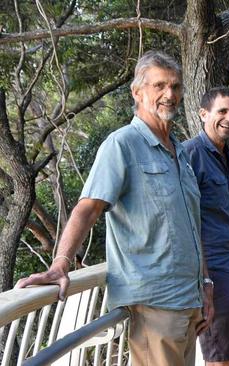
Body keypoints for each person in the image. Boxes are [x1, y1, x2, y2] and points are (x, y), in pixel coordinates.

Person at [16, 51, 213, 366]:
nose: (170, 95)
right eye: (159, 86)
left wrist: (205, 285)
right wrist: (60, 264)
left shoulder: (180, 151)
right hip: (154, 303)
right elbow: (87, 208)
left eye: (175, 87)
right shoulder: (122, 145)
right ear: (137, 92)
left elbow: (191, 225)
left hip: (188, 301)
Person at [183, 87, 229, 366]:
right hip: (212, 269)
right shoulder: (190, 155)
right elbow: (185, 220)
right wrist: (205, 278)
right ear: (203, 113)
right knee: (221, 355)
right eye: (222, 111)